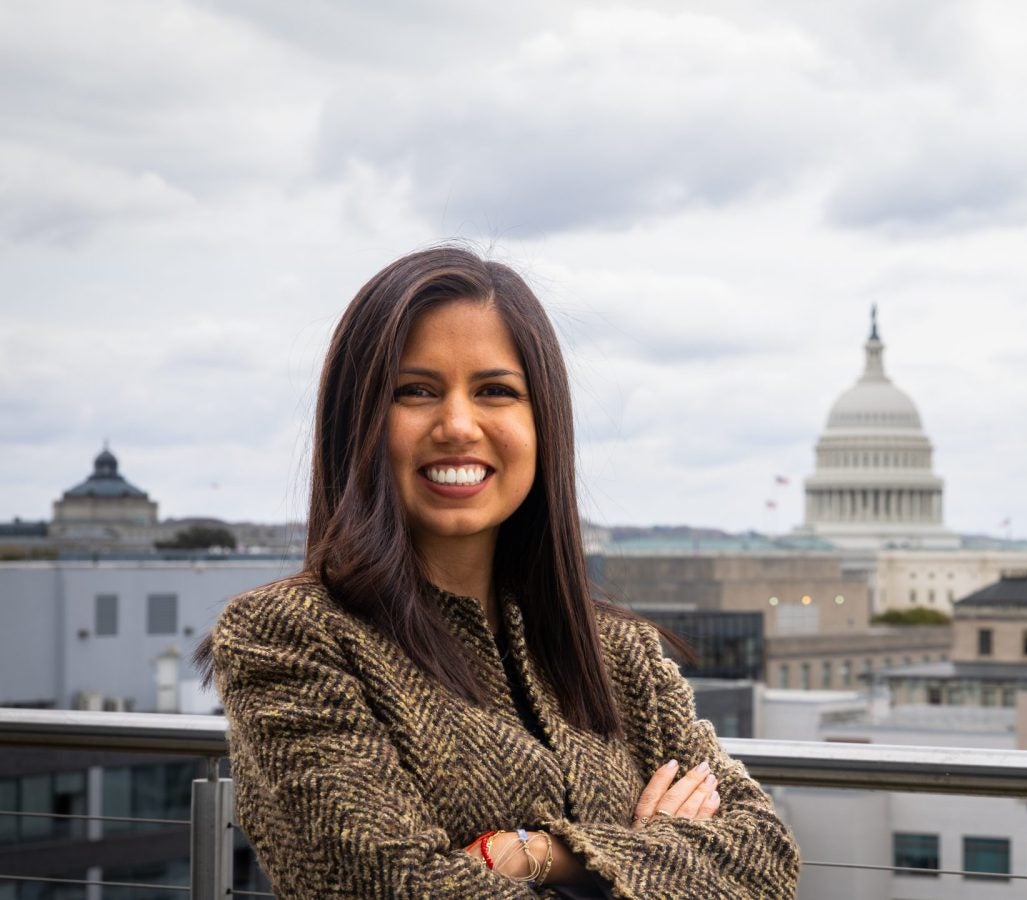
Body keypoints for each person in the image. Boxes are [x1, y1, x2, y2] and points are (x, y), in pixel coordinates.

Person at [197, 247, 799, 898]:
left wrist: (541, 853)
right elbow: (386, 886)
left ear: (542, 423)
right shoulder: (289, 635)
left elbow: (765, 856)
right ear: (359, 422)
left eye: (495, 391)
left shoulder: (618, 653)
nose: (458, 425)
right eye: (416, 391)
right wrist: (655, 858)